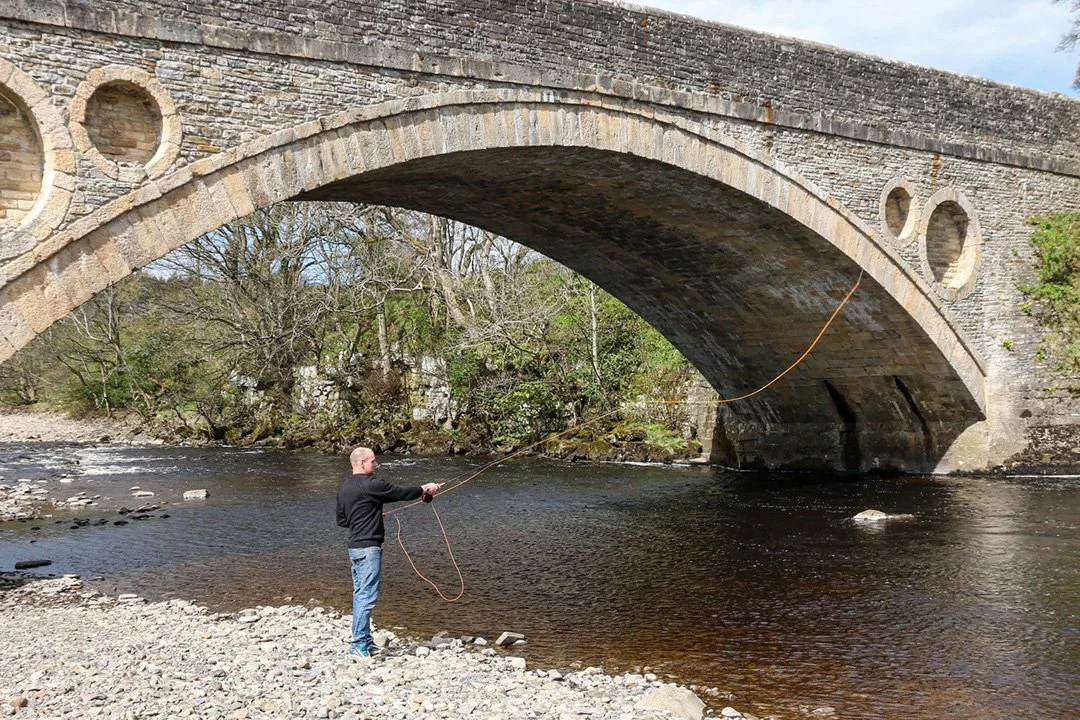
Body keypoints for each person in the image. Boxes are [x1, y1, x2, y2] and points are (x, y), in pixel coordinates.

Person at [336, 446, 442, 661]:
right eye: (373, 461)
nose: (377, 464)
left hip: (355, 548)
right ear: (362, 463)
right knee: (367, 596)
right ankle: (357, 645)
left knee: (360, 593)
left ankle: (365, 641)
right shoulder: (371, 484)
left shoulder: (345, 487)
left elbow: (342, 521)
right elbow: (399, 492)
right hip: (368, 548)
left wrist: (371, 514)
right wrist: (425, 488)